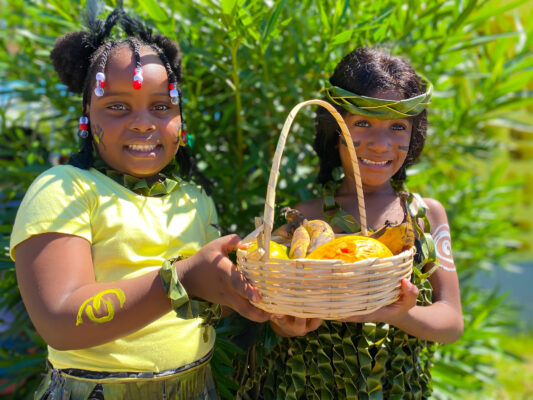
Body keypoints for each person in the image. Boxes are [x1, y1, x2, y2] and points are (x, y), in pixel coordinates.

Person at [10, 5, 269, 399]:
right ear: (86, 115)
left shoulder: (193, 199)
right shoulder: (64, 190)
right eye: (117, 107)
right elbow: (58, 319)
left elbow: (204, 302)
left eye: (162, 107)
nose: (144, 122)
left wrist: (264, 299)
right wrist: (181, 279)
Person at [239, 48, 464, 399]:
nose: (379, 144)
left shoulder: (423, 215)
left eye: (397, 127)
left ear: (413, 133)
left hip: (398, 390)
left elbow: (451, 321)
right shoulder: (307, 219)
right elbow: (285, 311)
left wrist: (398, 315)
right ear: (336, 128)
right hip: (309, 388)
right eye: (362, 123)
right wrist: (287, 324)